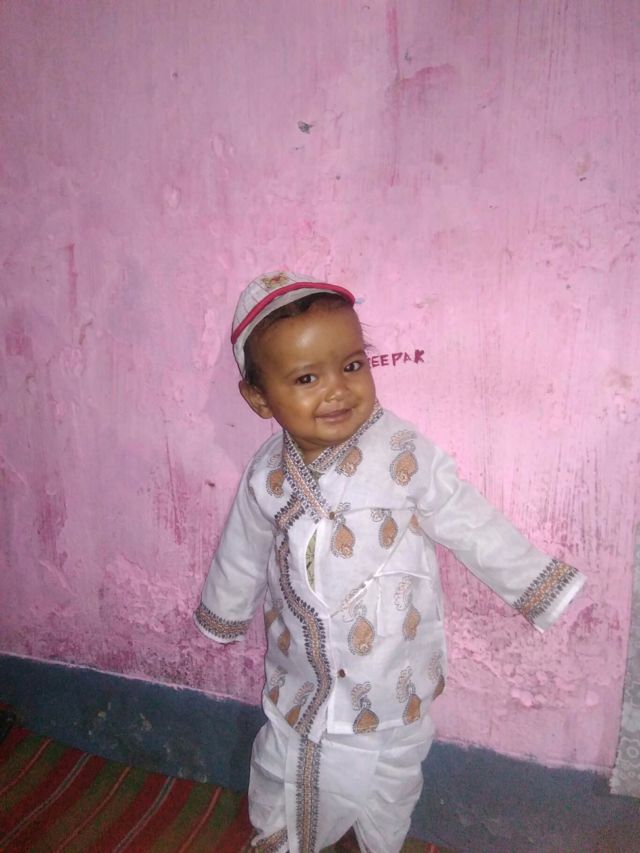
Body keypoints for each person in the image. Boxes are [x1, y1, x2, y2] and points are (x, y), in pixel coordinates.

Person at [195, 271, 585, 853]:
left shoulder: (402, 452)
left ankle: (379, 841)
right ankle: (285, 839)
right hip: (302, 684)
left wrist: (536, 586)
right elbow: (242, 551)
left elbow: (468, 519)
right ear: (259, 399)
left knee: (392, 781)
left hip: (396, 674)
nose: (337, 390)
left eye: (352, 365)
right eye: (307, 378)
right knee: (283, 774)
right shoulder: (266, 475)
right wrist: (224, 614)